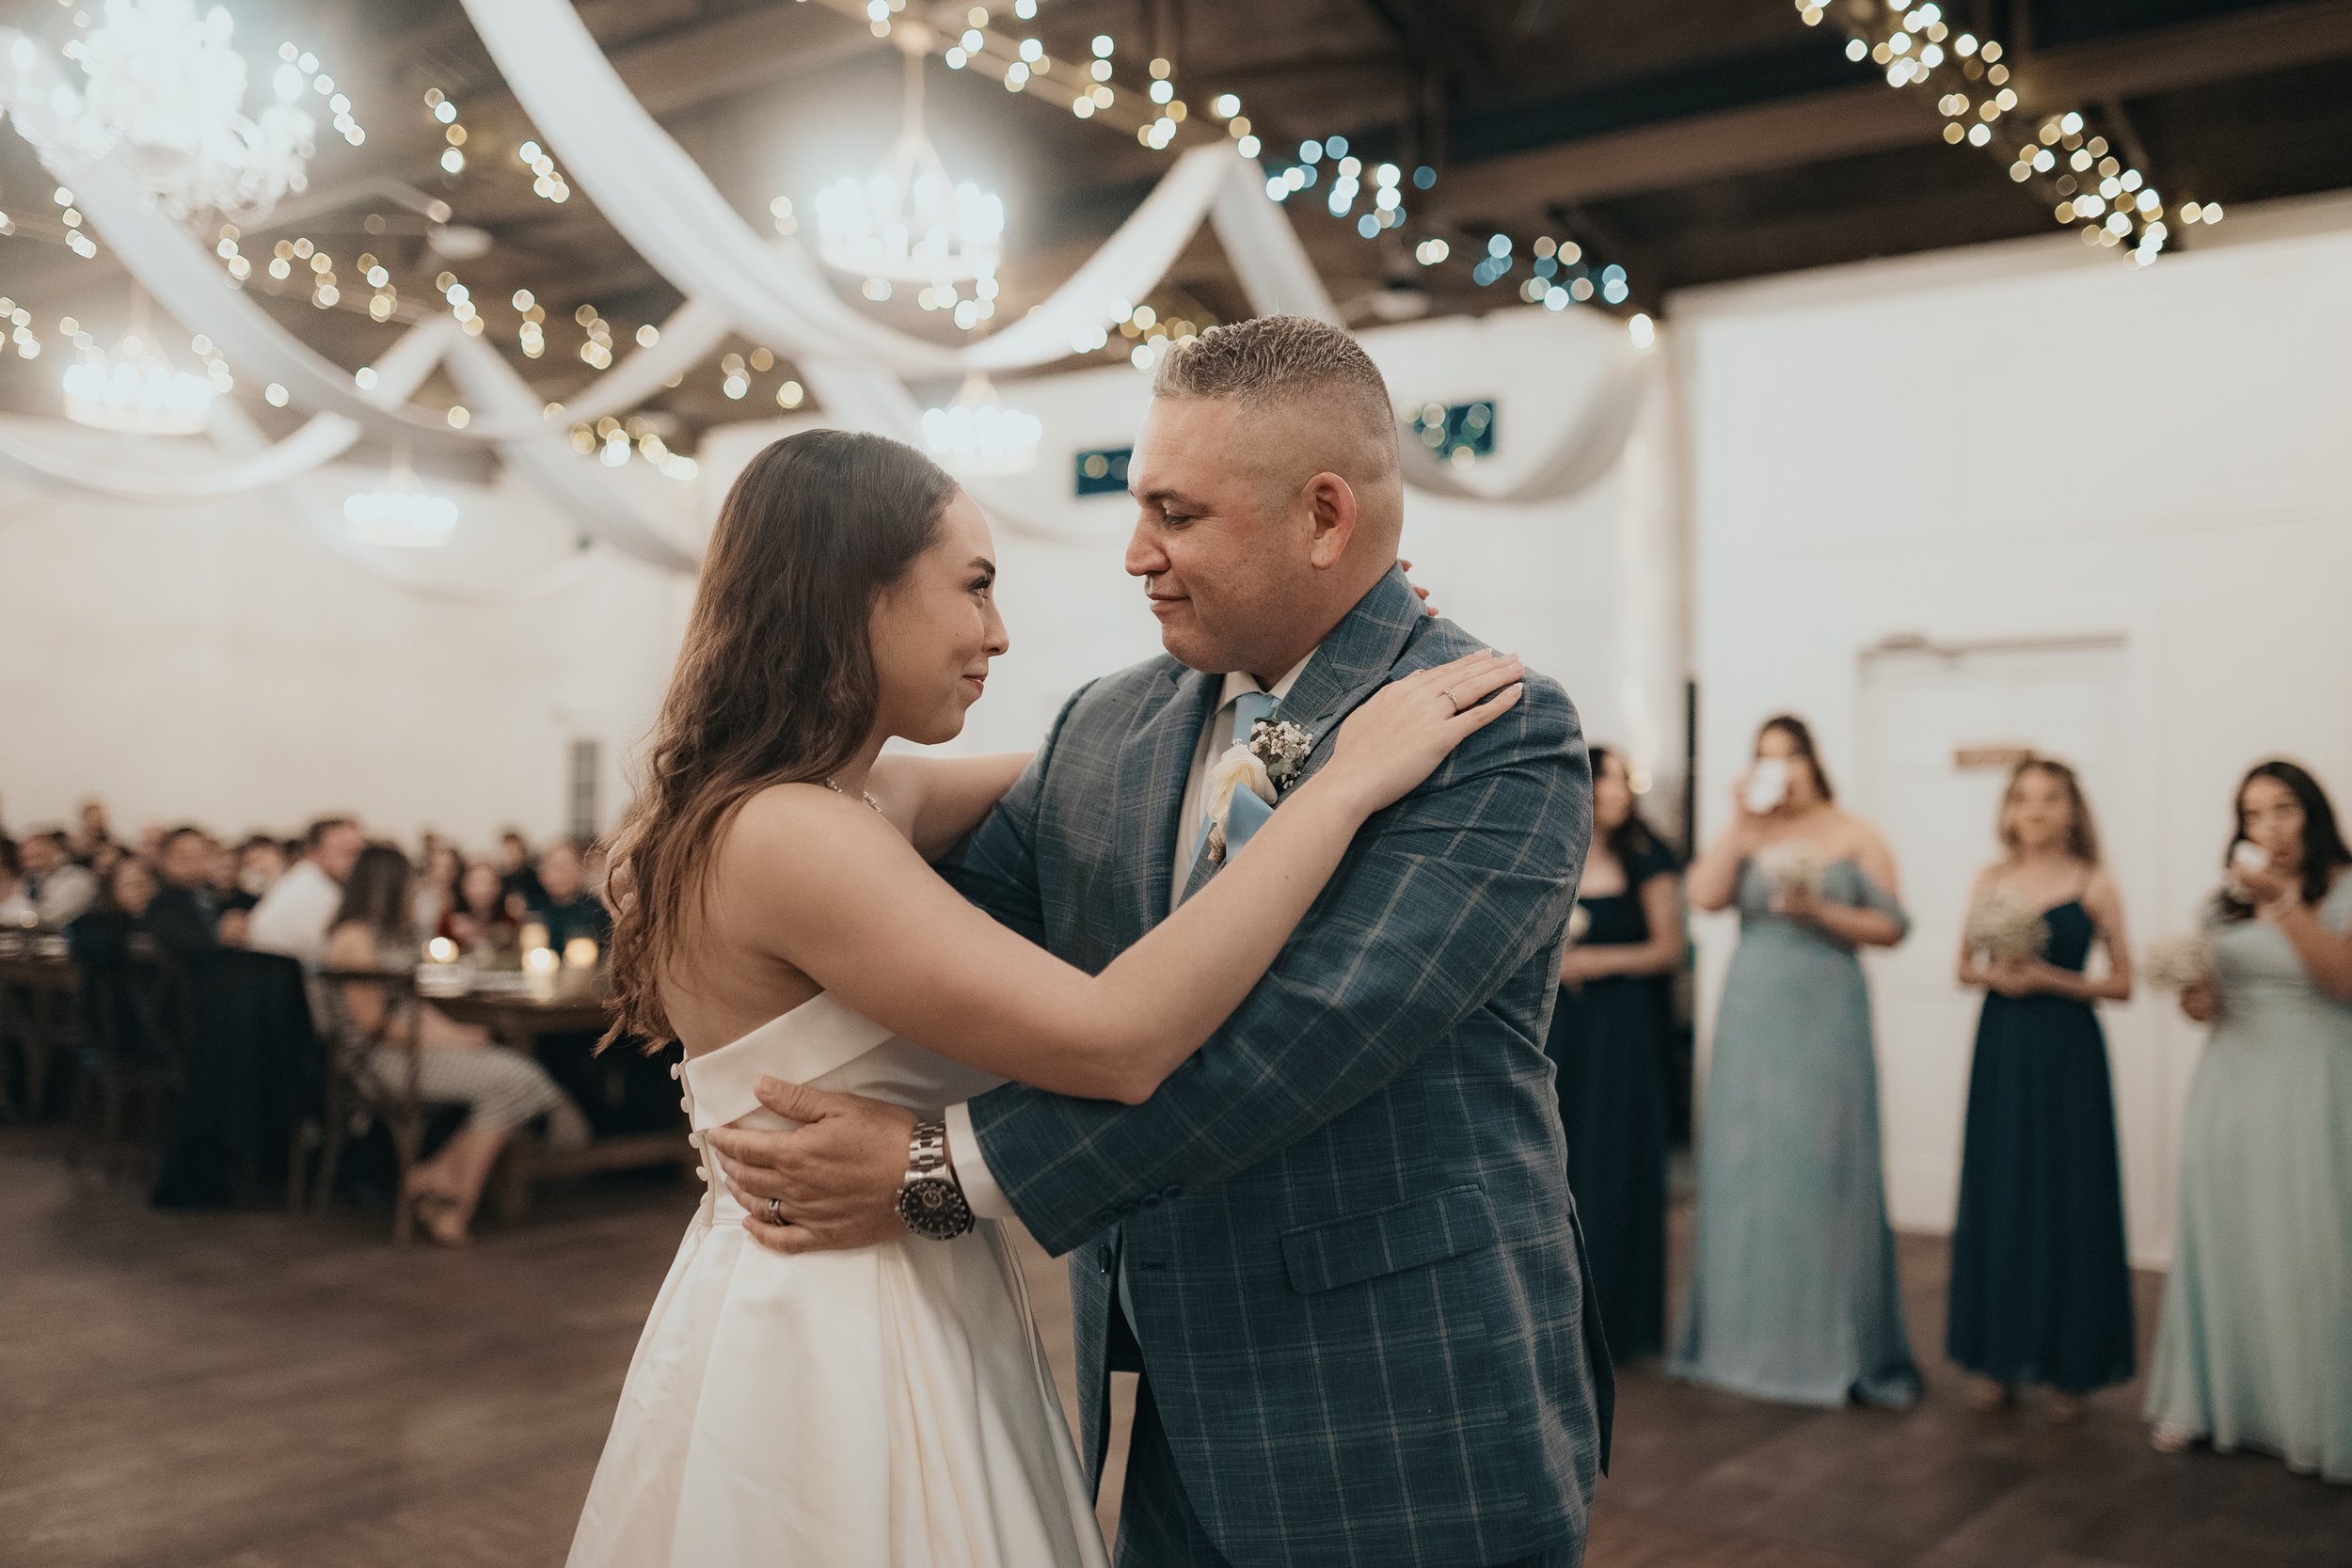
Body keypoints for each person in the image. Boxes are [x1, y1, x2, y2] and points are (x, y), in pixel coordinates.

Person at [688, 320, 1608, 1568]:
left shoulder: (1492, 729)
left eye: (1176, 513)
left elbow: (1295, 1045)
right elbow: (909, 905)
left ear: (1324, 517)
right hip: (1165, 1416)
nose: (1136, 555)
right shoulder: (1109, 725)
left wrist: (943, 1166)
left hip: (1401, 1393)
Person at [1671, 714, 1920, 1408]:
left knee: (1822, 1162)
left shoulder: (1853, 833)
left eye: (1789, 757)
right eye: (1764, 758)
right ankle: (1737, 1341)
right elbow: (1705, 896)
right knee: (1748, 1165)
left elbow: (1894, 924)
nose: (1779, 770)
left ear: (1813, 763)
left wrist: (1820, 911)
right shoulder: (1750, 833)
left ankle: (1833, 1345)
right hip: (1753, 1011)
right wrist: (1739, 821)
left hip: (1826, 1010)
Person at [2145, 759, 2352, 1481]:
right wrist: (2191, 993)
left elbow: (2343, 980)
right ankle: (2214, 1403)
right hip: (2231, 1084)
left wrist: (2285, 902)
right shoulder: (2223, 904)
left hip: (2314, 1085)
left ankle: (2309, 1415)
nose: (2269, 826)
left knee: (2312, 1242)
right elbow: (2207, 1004)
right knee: (2226, 1234)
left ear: (2313, 814)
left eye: (2284, 809)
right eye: (2253, 813)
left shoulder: (2342, 891)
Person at [1947, 759, 2136, 1422]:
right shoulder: (1990, 879)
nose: (2035, 810)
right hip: (2003, 1045)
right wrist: (1998, 975)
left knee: (2069, 1191)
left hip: (2067, 1050)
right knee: (2003, 1187)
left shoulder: (2094, 883)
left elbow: (2123, 983)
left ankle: (2072, 1364)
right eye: (2024, 798)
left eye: (2050, 798)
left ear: (2072, 809)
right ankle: (1998, 1354)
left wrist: (2051, 979)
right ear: (2009, 810)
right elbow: (1962, 968)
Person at [324, 845, 589, 1246]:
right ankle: (448, 1198)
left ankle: (438, 1183)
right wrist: (457, 1037)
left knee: (516, 1077)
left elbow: (412, 1004)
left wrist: (458, 1036)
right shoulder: (353, 939)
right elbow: (375, 1023)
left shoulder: (388, 932)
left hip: (409, 1048)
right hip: (377, 1060)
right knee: (521, 1080)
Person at [1549, 743, 1682, 1363]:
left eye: (1622, 783)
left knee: (1616, 1157)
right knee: (1562, 1160)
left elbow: (1667, 949)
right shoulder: (1555, 847)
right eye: (1603, 781)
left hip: (1623, 1028)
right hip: (1560, 1029)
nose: (1614, 793)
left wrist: (1595, 961)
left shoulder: (1645, 857)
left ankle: (1622, 1319)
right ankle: (1558, 1314)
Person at [246, 817, 363, 967]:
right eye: (346, 852)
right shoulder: (313, 892)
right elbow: (340, 958)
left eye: (359, 853)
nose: (358, 862)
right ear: (314, 852)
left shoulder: (301, 880)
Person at [142, 826, 230, 957]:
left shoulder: (222, 895)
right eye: (184, 856)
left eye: (200, 854)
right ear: (165, 860)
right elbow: (182, 943)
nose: (193, 862)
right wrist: (220, 937)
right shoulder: (161, 904)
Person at [528, 840, 611, 949]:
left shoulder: (596, 911)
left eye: (566, 867)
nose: (561, 875)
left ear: (580, 871)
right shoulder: (533, 909)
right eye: (555, 868)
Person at [16, 831, 99, 927]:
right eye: (26, 859)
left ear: (54, 851)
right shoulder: (30, 880)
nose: (31, 864)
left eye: (38, 856)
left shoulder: (77, 878)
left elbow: (51, 916)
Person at [439, 861, 520, 958]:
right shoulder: (450, 921)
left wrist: (479, 933)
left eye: (488, 883)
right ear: (464, 886)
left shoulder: (509, 921)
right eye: (476, 883)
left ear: (498, 887)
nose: (482, 889)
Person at [411, 842, 462, 936]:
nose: (442, 873)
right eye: (437, 867)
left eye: (448, 867)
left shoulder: (459, 897)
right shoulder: (417, 895)